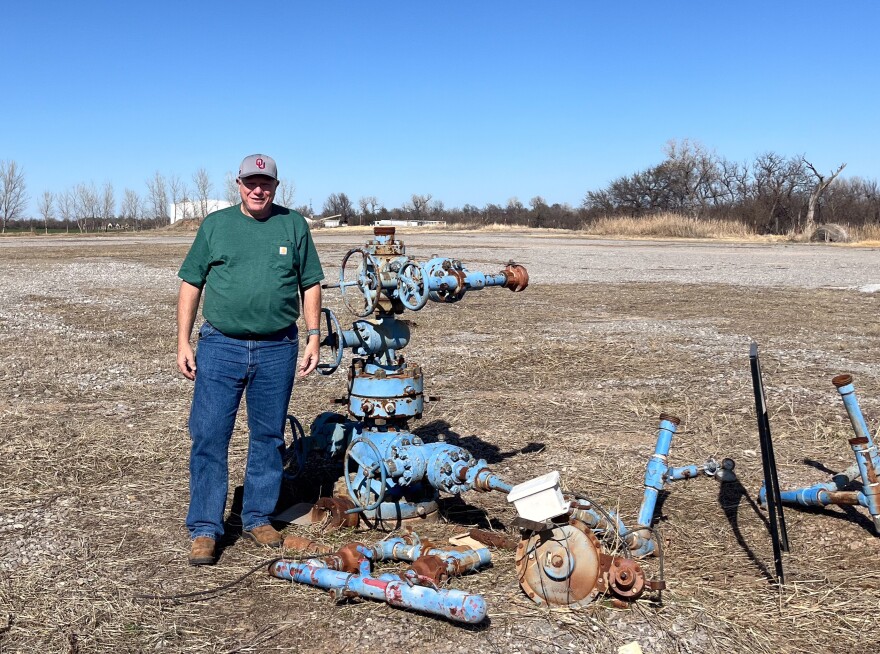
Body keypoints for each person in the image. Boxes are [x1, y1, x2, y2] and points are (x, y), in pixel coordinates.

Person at [176, 154, 324, 566]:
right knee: (209, 435)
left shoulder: (293, 224)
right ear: (238, 184)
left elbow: (310, 283)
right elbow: (191, 282)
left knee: (269, 437)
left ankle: (257, 516)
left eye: (266, 183)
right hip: (221, 346)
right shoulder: (216, 226)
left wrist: (314, 337)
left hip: (278, 347)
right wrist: (183, 341)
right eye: (250, 182)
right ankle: (206, 527)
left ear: (277, 187)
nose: (258, 190)